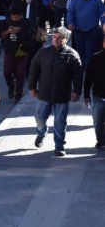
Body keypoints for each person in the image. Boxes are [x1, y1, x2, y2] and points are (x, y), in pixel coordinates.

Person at [28, 27, 83, 156]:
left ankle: (59, 146)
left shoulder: (72, 55)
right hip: (44, 94)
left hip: (62, 96)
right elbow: (34, 68)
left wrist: (77, 91)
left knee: (60, 122)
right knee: (40, 118)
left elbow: (78, 76)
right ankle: (41, 132)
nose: (56, 40)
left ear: (66, 40)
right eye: (54, 37)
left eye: (59, 38)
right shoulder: (43, 52)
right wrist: (32, 86)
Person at [67, 0, 105, 68]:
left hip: (92, 30)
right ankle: (80, 68)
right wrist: (70, 22)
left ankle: (87, 69)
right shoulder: (75, 1)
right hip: (78, 31)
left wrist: (103, 24)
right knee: (79, 50)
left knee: (89, 50)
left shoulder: (97, 1)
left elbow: (102, 14)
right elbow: (70, 13)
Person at [0, 8, 34, 104]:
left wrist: (20, 31)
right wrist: (8, 31)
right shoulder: (6, 22)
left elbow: (31, 34)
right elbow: (2, 35)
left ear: (21, 16)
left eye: (16, 17)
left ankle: (18, 94)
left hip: (22, 51)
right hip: (9, 51)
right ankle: (11, 87)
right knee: (7, 72)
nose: (14, 19)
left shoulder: (26, 22)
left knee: (20, 74)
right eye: (13, 17)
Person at [84, 35, 105, 150]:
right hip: (98, 96)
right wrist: (86, 95)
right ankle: (101, 140)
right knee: (98, 122)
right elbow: (88, 78)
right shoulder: (96, 58)